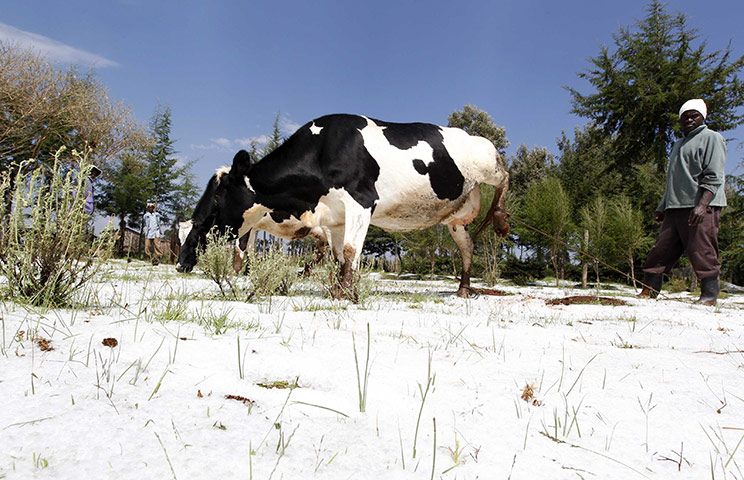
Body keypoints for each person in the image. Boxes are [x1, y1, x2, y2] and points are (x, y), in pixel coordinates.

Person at [639, 98, 727, 305]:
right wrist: (663, 206)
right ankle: (650, 290)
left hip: (701, 205)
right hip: (675, 206)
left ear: (702, 117)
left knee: (701, 249)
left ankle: (709, 296)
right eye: (684, 116)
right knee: (661, 249)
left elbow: (714, 175)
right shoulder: (679, 144)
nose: (689, 119)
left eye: (694, 115)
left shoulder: (711, 138)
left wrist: (702, 205)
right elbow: (674, 179)